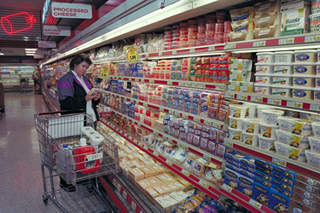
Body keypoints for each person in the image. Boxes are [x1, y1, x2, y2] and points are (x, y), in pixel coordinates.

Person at [57, 54, 101, 191]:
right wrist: (86, 99)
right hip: (75, 121)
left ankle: (82, 176)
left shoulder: (86, 80)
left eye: (86, 67)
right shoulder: (65, 80)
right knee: (70, 152)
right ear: (75, 65)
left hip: (89, 120)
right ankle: (65, 181)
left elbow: (90, 99)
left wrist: (96, 98)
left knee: (85, 151)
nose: (85, 70)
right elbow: (65, 104)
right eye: (83, 66)